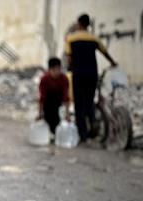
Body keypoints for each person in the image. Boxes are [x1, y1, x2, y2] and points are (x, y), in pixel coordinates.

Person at [65, 13, 117, 142]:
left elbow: (69, 57)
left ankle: (82, 134)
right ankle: (93, 120)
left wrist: (71, 67)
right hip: (92, 74)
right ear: (88, 24)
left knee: (79, 103)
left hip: (78, 74)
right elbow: (105, 52)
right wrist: (113, 63)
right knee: (89, 100)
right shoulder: (94, 38)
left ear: (79, 23)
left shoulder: (71, 38)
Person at [37, 57, 70, 136]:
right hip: (48, 103)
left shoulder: (64, 79)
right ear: (49, 70)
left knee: (59, 122)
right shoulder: (44, 79)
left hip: (59, 102)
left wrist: (67, 114)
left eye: (58, 69)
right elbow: (42, 98)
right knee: (49, 120)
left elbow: (66, 97)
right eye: (54, 70)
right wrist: (40, 113)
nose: (56, 72)